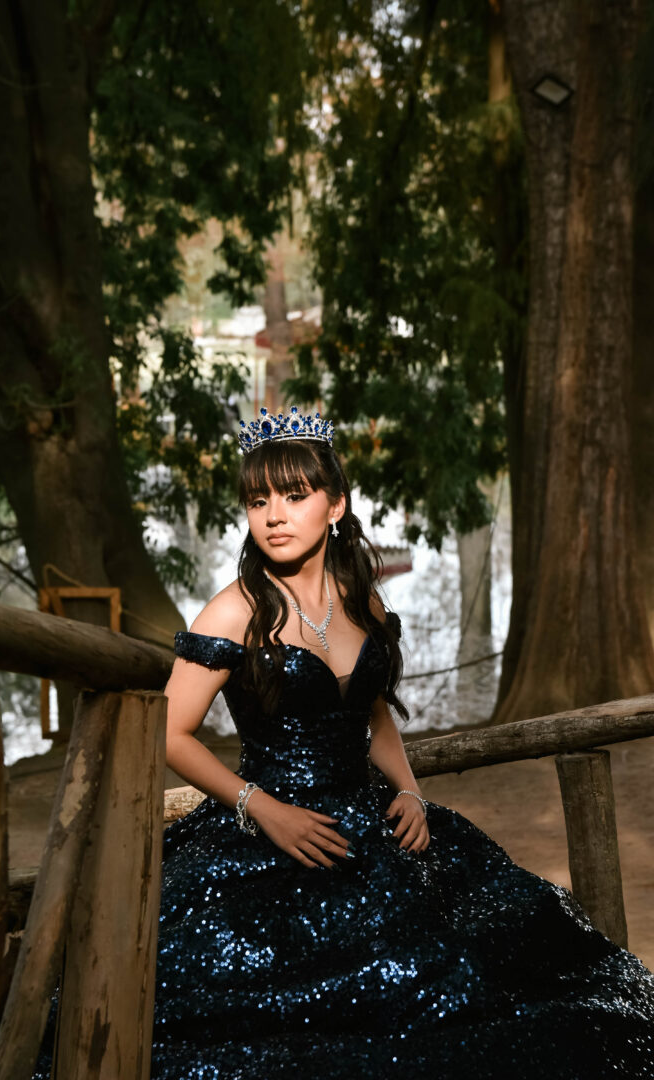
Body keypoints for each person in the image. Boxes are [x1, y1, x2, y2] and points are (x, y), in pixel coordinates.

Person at [151, 406, 654, 1080]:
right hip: (270, 830)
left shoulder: (364, 602)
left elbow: (376, 717)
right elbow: (169, 733)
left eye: (294, 496)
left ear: (336, 505)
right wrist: (263, 808)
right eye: (258, 500)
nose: (273, 515)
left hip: (368, 822)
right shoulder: (234, 610)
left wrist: (411, 791)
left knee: (482, 966)